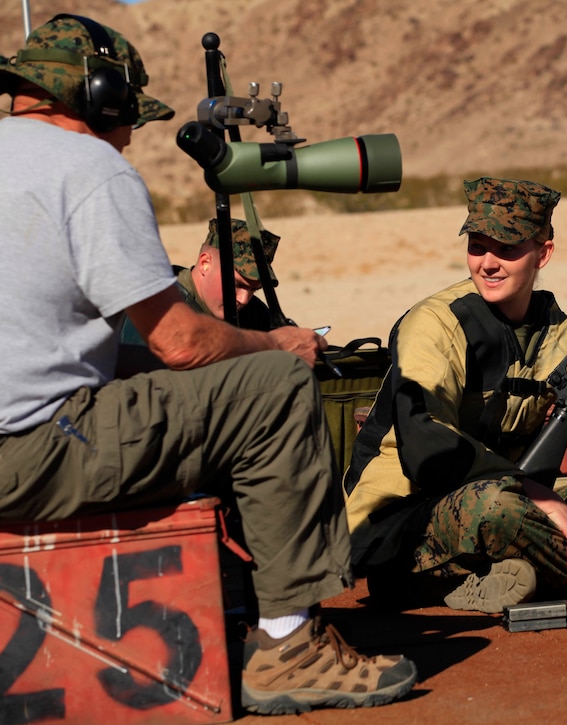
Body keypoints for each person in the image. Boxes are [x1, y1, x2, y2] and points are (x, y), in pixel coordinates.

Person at [0, 15, 415, 714]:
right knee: (274, 389)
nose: (131, 133)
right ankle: (287, 645)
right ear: (99, 97)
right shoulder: (89, 166)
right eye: (127, 113)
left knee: (130, 361)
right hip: (33, 453)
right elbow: (183, 344)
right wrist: (273, 344)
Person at [344, 176, 567, 614]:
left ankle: (500, 578)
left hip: (518, 508)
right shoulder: (435, 324)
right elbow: (424, 442)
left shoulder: (565, 337)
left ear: (543, 254)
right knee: (495, 507)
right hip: (401, 524)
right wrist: (536, 494)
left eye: (507, 249)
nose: (488, 263)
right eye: (477, 246)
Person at [119, 219, 279, 354]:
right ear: (205, 264)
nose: (244, 299)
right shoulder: (161, 306)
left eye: (253, 289)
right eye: (236, 284)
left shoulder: (255, 313)